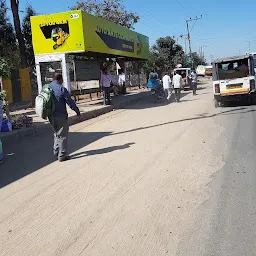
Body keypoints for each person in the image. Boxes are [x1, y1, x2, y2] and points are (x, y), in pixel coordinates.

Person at [48, 73, 80, 162]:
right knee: (62, 135)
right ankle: (62, 156)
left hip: (50, 116)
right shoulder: (61, 88)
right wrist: (77, 111)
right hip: (60, 115)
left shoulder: (47, 88)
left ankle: (56, 152)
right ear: (60, 79)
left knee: (57, 133)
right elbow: (70, 102)